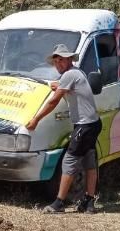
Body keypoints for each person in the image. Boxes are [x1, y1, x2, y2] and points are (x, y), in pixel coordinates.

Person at [26, 44, 102, 214]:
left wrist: (36, 120)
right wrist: (58, 85)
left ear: (69, 59)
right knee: (90, 162)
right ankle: (89, 203)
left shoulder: (69, 75)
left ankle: (59, 203)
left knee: (68, 161)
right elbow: (66, 87)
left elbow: (53, 101)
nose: (58, 64)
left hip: (84, 125)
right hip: (93, 123)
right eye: (56, 61)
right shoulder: (78, 72)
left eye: (61, 60)